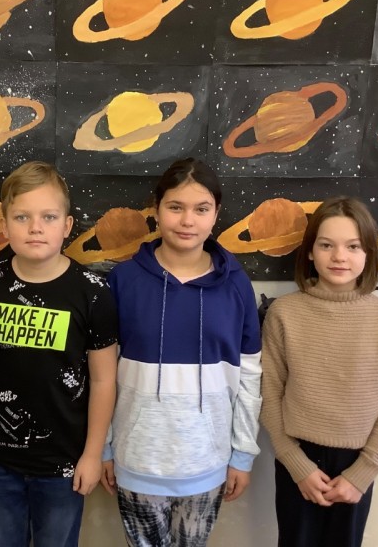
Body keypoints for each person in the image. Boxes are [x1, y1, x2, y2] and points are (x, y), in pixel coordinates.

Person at [101, 158, 262, 547]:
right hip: (137, 459)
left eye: (201, 209)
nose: (188, 220)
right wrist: (103, 446)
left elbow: (250, 376)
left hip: (207, 462)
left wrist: (242, 454)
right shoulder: (123, 281)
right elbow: (101, 375)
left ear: (216, 214)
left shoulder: (237, 286)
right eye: (176, 207)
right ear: (156, 210)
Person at [0, 161, 118, 547]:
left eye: (48, 217)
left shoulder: (93, 293)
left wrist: (93, 454)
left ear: (66, 226)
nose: (35, 227)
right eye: (22, 217)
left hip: (63, 463)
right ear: (4, 226)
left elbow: (104, 380)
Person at [260, 196, 378, 547]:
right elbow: (269, 393)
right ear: (310, 252)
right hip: (297, 456)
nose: (339, 256)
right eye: (326, 245)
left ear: (368, 253)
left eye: (353, 246)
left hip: (358, 461)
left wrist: (363, 473)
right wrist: (295, 463)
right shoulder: (284, 313)